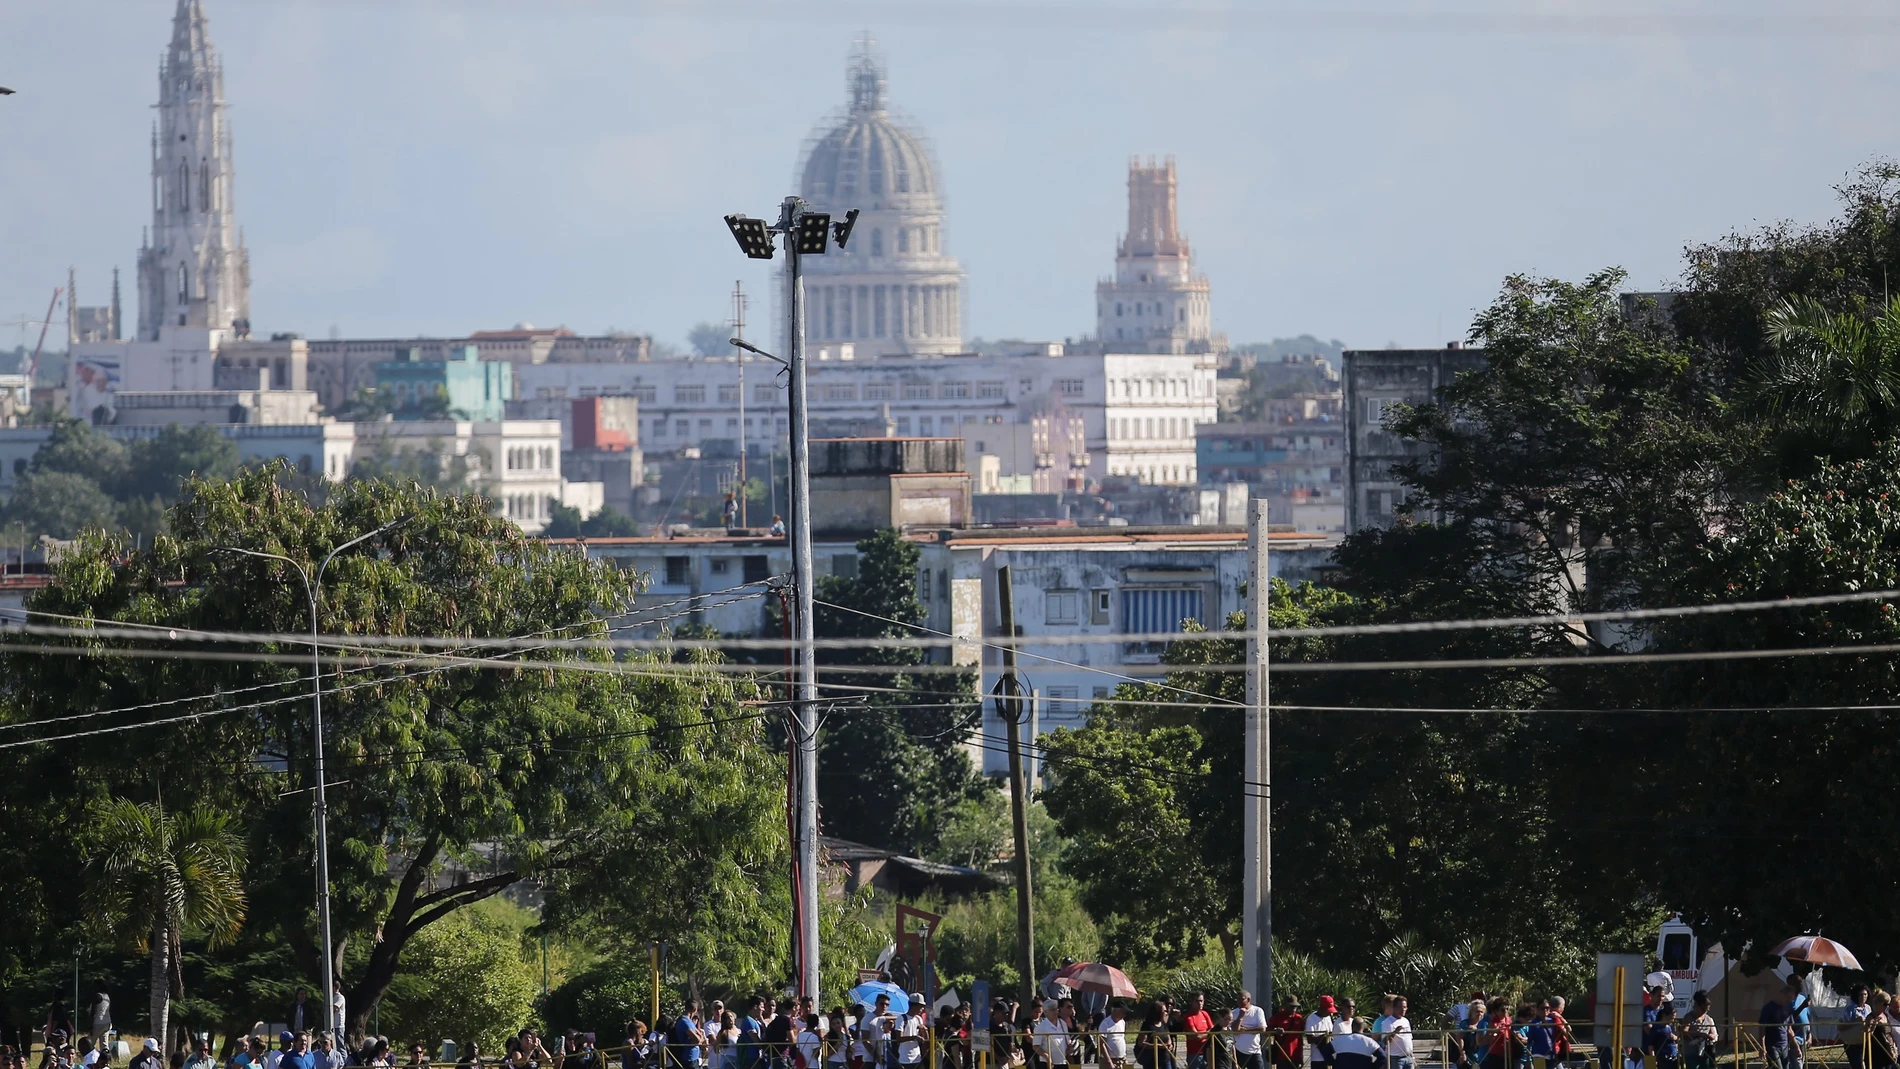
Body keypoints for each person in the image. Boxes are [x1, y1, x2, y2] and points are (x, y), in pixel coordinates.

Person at [1233, 991, 1269, 1069]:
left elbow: (1262, 1028)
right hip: (1238, 1050)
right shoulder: (1234, 1012)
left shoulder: (1257, 1011)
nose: (1238, 1002)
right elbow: (1235, 1030)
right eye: (1237, 999)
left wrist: (1245, 1030)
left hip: (1255, 1051)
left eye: (1241, 999)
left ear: (1248, 1000)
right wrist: (1240, 1016)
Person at [1761, 987, 1793, 1069]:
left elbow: (1789, 1030)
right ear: (1782, 995)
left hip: (1784, 1045)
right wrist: (1762, 1047)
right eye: (1788, 998)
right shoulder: (1768, 1008)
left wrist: (1796, 1047)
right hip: (1772, 1046)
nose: (1789, 1001)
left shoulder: (1788, 1009)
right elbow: (1761, 1029)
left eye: (1791, 998)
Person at [1267, 997, 1303, 1069]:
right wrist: (1275, 1030)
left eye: (1295, 1007)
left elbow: (1301, 1036)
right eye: (1291, 1006)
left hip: (1295, 1054)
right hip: (1281, 1055)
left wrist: (1301, 1057)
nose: (1294, 1009)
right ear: (1285, 1005)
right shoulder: (1277, 1017)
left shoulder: (1299, 1018)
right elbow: (1267, 1030)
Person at [1304, 998, 1337, 1069]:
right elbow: (1309, 1039)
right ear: (1321, 1008)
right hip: (1317, 1059)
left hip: (1329, 1056)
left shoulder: (1328, 1017)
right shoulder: (1311, 1019)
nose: (1329, 1013)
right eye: (1327, 1010)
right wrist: (1323, 1037)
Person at [1182, 995, 1214, 1069]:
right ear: (1192, 1002)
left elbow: (1213, 1030)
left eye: (1201, 1001)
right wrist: (1208, 1033)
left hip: (1207, 1052)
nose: (1200, 1003)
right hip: (1194, 1054)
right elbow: (1197, 1036)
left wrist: (1204, 1034)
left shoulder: (1205, 1014)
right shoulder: (1189, 1017)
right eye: (1197, 1001)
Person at [672, 1003, 707, 1069]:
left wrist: (699, 1039)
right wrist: (699, 1039)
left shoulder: (690, 1021)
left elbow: (700, 1036)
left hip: (695, 1057)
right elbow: (698, 1039)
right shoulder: (684, 1021)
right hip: (689, 1058)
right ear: (695, 1010)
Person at [1383, 997, 1413, 1069]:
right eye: (1400, 1007)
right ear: (1394, 1007)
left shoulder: (1406, 1021)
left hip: (1408, 1057)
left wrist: (1413, 1057)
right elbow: (1385, 1041)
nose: (1403, 1009)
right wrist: (1395, 1032)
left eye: (1404, 1007)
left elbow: (1409, 1039)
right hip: (1395, 1058)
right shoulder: (1388, 1022)